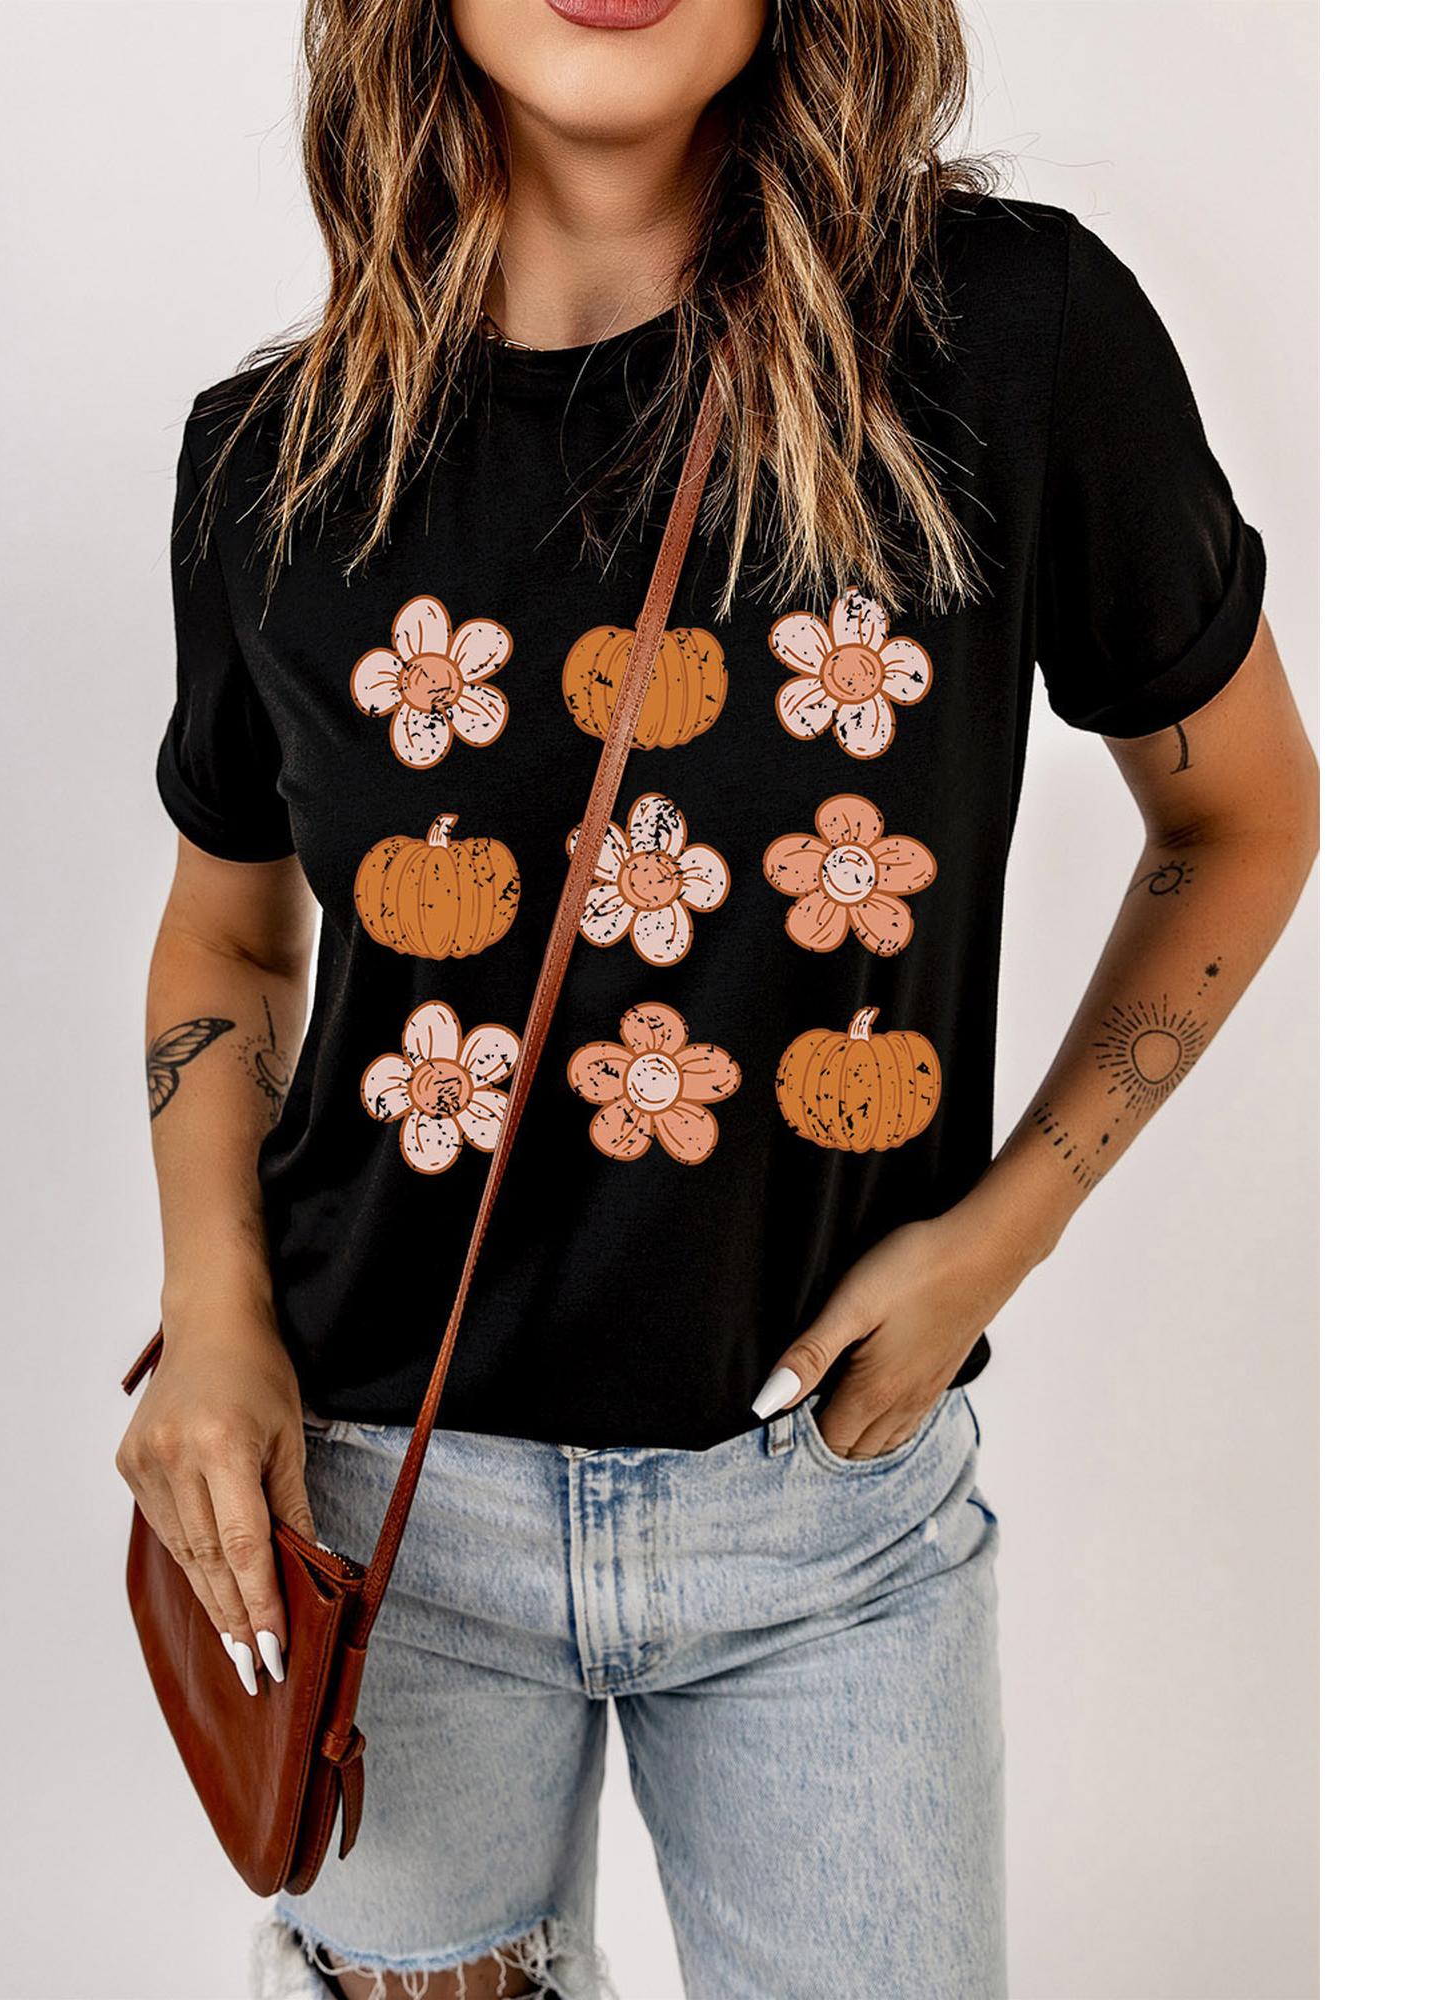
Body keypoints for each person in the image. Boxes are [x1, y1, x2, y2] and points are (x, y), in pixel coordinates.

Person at [115, 2, 1319, 1995]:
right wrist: (218, 1318)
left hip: (828, 1511)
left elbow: (1242, 818)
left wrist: (1000, 1235)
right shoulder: (274, 463)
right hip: (385, 1510)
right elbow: (229, 934)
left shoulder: (1006, 340)